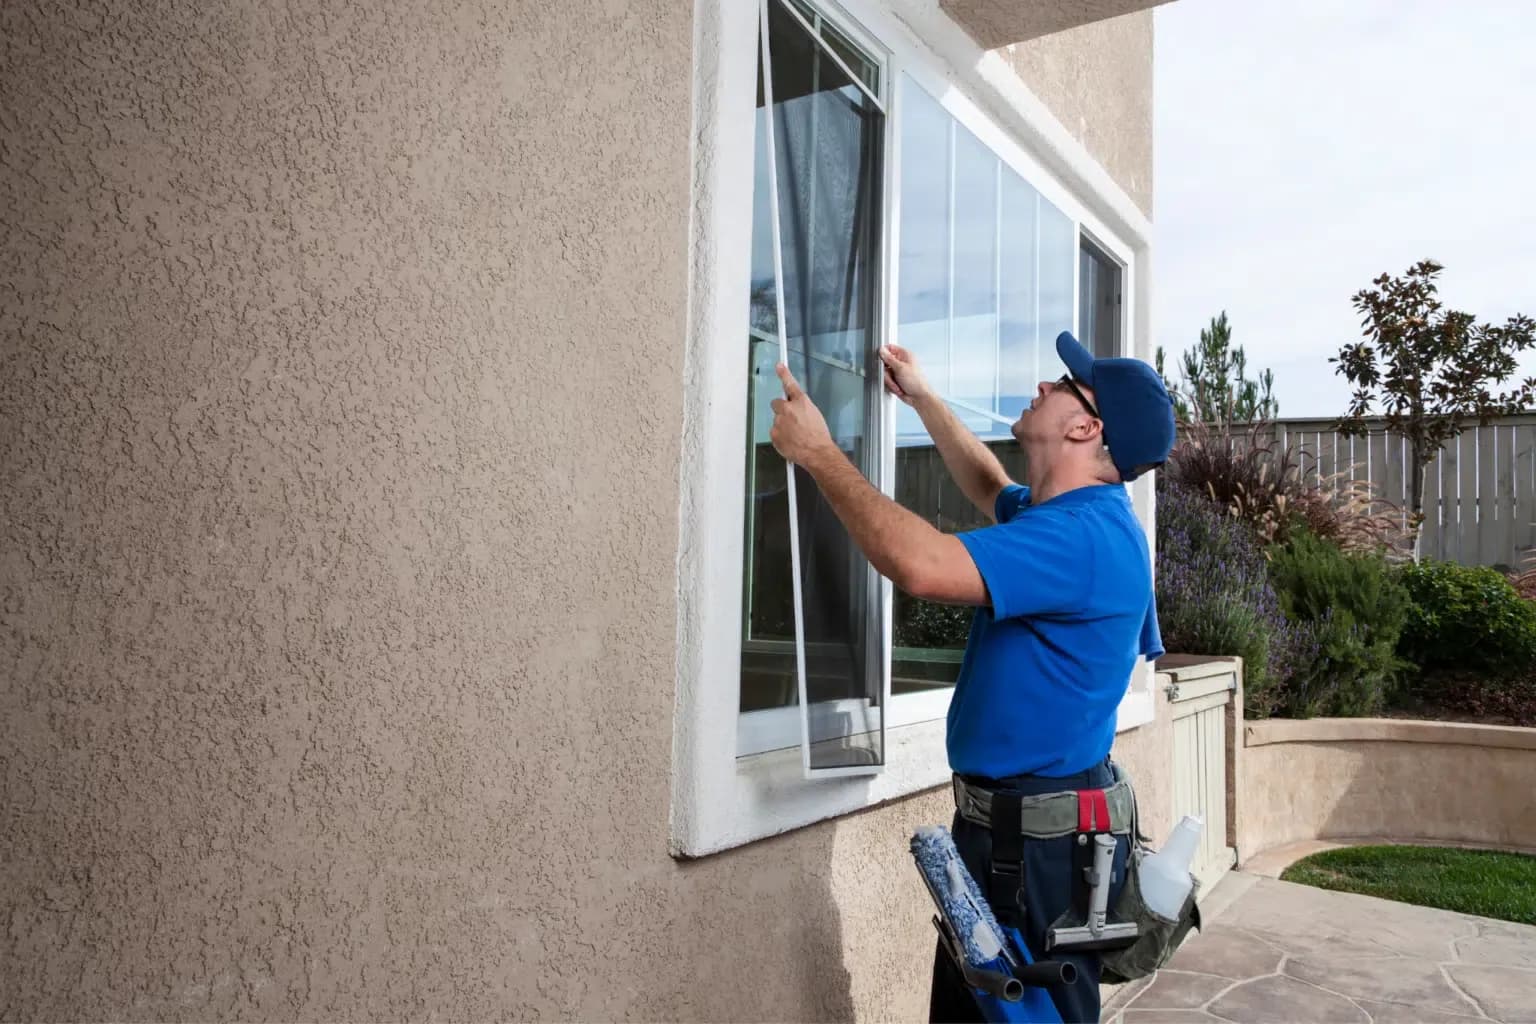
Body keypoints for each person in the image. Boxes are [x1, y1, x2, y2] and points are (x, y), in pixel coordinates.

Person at [768, 331, 1176, 1023]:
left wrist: (819, 454)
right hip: (1010, 838)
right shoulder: (1064, 516)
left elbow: (921, 566)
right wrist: (924, 400)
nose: (1044, 386)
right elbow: (989, 484)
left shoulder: (1082, 540)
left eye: (1061, 385)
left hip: (1041, 856)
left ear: (1085, 425)